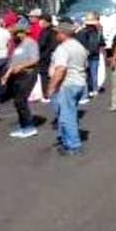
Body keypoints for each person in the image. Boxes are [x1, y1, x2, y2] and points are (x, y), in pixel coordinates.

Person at [47, 20, 88, 156]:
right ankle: (66, 141)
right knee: (70, 113)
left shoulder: (63, 48)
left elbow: (61, 69)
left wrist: (51, 87)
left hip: (68, 83)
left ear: (63, 34)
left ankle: (74, 145)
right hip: (79, 82)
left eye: (57, 33)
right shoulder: (79, 46)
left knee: (66, 116)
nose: (56, 35)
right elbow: (85, 64)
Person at [1, 22, 40, 139]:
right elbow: (13, 62)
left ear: (22, 32)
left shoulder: (31, 43)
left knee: (20, 100)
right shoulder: (19, 44)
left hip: (28, 74)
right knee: (17, 101)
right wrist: (6, 75)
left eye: (17, 33)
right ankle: (23, 124)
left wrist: (22, 66)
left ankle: (29, 127)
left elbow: (35, 59)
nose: (15, 35)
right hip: (17, 75)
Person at [75, 12, 104, 102]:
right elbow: (101, 43)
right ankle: (94, 89)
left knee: (85, 73)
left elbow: (79, 44)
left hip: (85, 54)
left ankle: (87, 90)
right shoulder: (98, 32)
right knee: (94, 73)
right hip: (95, 54)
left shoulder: (81, 32)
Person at [36, 14, 57, 99]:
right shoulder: (55, 30)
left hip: (45, 56)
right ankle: (53, 91)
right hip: (53, 55)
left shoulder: (45, 31)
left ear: (45, 21)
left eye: (40, 21)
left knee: (44, 75)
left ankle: (46, 94)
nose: (39, 23)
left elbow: (42, 44)